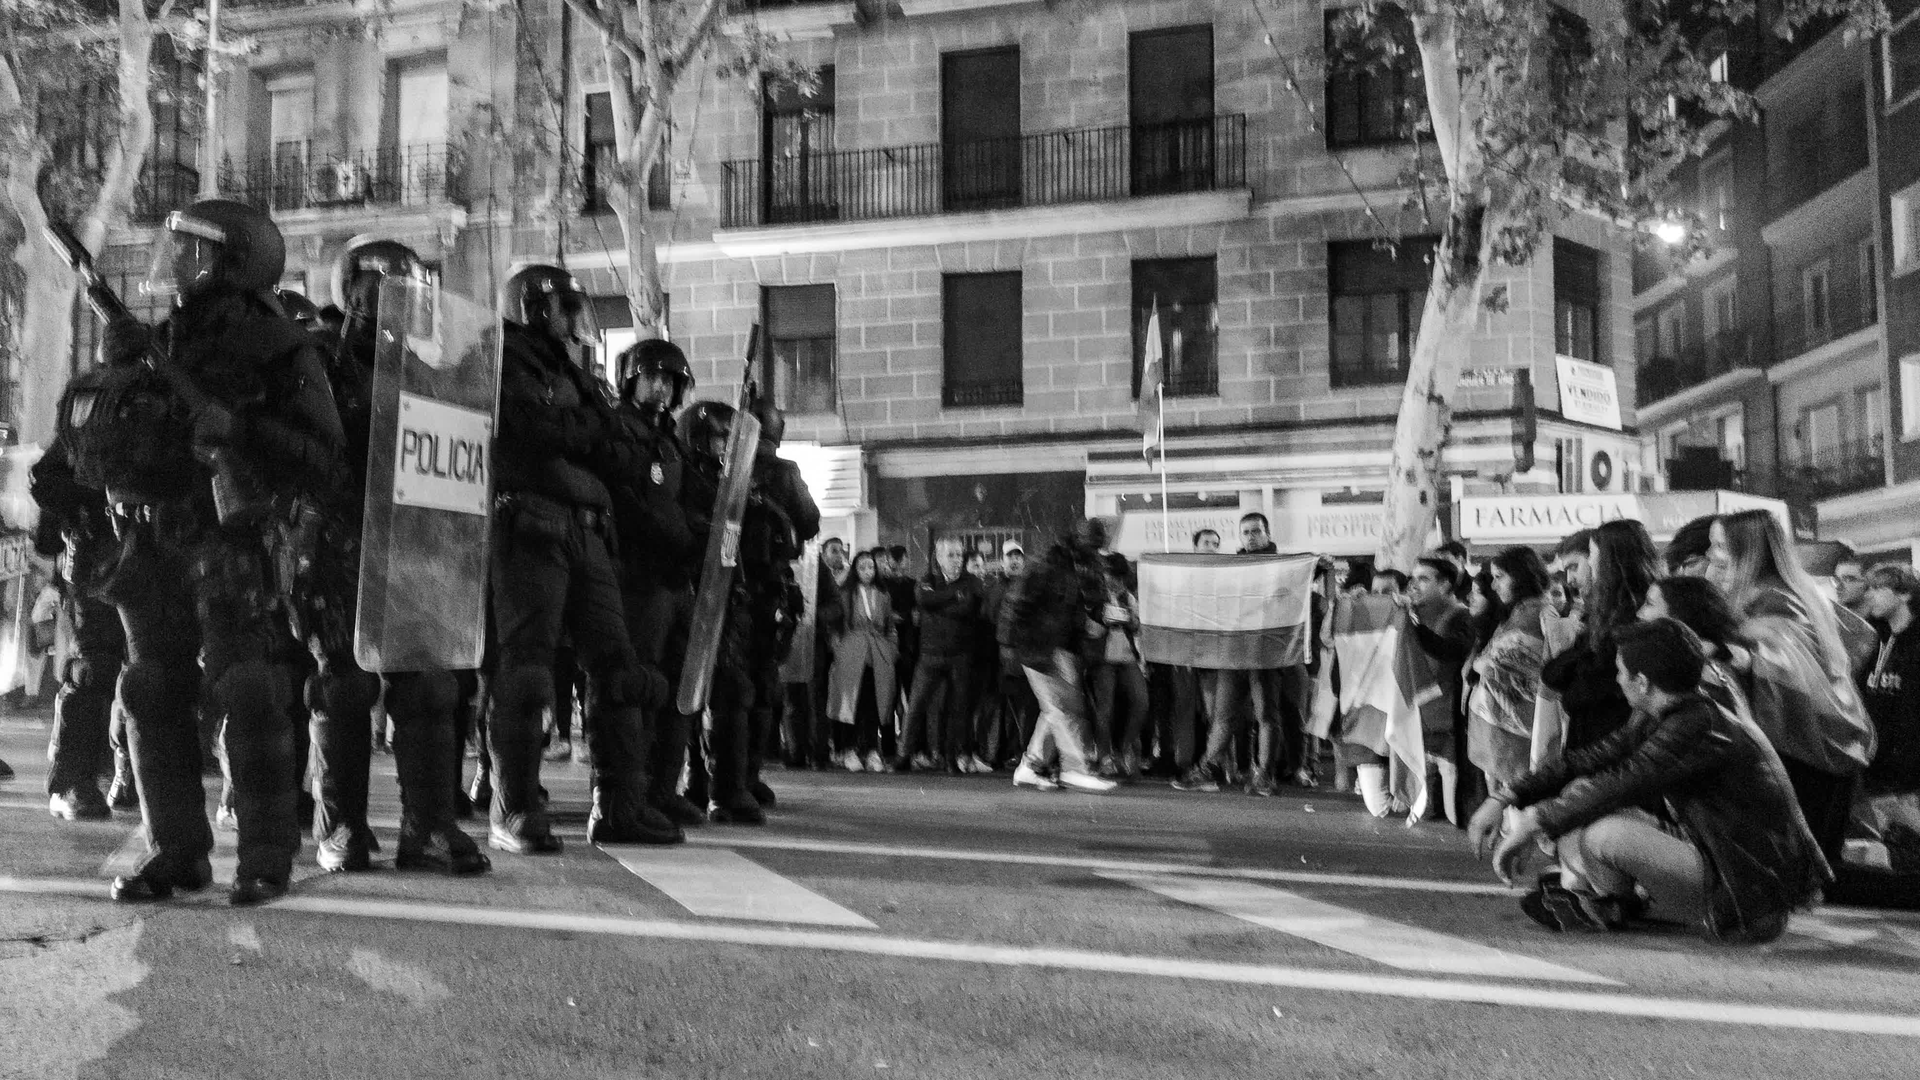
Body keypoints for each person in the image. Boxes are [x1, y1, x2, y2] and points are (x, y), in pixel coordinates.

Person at [93, 200, 346, 904]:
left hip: (233, 542)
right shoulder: (160, 340)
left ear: (236, 262)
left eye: (193, 251)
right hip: (159, 537)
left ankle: (266, 857)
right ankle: (176, 852)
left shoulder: (280, 345)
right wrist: (119, 374)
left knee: (249, 690)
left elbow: (324, 454)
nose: (176, 263)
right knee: (149, 689)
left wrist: (241, 428)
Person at [305, 235, 491, 873]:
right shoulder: (322, 365)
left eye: (416, 292)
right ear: (357, 292)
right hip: (340, 545)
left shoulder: (430, 374)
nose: (410, 304)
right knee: (346, 687)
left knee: (432, 688)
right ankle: (341, 828)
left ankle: (428, 829)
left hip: (413, 549)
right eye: (393, 290)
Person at [1468, 618, 1827, 941]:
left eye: (1621, 672)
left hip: (1749, 892)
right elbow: (1587, 761)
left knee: (1603, 833)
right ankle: (1611, 903)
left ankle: (1612, 904)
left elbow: (1622, 781)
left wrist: (1533, 823)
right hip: (1715, 854)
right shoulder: (1670, 710)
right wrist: (1505, 797)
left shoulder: (1699, 726)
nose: (1618, 679)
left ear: (1642, 682)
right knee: (1580, 796)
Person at [488, 265, 671, 854]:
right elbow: (531, 429)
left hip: (589, 532)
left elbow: (613, 447)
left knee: (618, 668)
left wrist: (586, 431)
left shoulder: (576, 374)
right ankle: (512, 807)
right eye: (567, 308)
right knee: (528, 671)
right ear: (536, 308)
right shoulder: (505, 359)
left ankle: (618, 806)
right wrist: (588, 430)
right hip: (532, 525)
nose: (576, 321)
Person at [1709, 509, 1873, 866]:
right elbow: (1858, 641)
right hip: (1825, 743)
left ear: (1746, 552)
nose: (1712, 557)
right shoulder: (1801, 592)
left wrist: (1729, 649)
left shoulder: (1770, 601)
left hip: (1800, 751)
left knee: (1794, 874)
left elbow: (1779, 667)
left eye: (1719, 547)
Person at [611, 338, 710, 833]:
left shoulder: (669, 439)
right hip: (638, 580)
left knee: (677, 687)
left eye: (670, 380)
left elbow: (687, 500)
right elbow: (628, 504)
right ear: (631, 378)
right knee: (642, 685)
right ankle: (627, 794)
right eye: (653, 376)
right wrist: (674, 534)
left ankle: (661, 790)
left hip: (676, 582)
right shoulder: (620, 429)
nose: (662, 387)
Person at [31, 372, 130, 821]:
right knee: (96, 665)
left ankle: (128, 774)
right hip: (102, 554)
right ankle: (71, 780)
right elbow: (48, 475)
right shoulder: (99, 396)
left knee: (158, 673)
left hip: (161, 548)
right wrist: (83, 517)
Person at [737, 396, 820, 806]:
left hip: (728, 590)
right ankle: (746, 777)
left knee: (731, 687)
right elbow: (810, 520)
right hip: (766, 591)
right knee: (760, 685)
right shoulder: (785, 472)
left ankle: (720, 777)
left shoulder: (726, 467)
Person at [1006, 520, 1117, 794]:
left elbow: (1078, 605)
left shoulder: (1078, 565)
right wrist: (1008, 644)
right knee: (1061, 708)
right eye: (1094, 546)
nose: (1097, 552)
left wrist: (1094, 619)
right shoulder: (1051, 563)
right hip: (1037, 645)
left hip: (1057, 646)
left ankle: (1031, 766)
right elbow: (1018, 602)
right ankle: (1075, 768)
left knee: (1059, 708)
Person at [1541, 520, 1658, 753]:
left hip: (1613, 745)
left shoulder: (1635, 616)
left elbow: (1586, 689)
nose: (1571, 580)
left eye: (1594, 556)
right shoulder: (1600, 614)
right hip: (1599, 741)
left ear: (1612, 560)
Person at [1466, 547, 1550, 796]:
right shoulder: (1518, 612)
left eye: (1500, 576)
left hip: (1516, 740)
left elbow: (1490, 665)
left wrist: (1482, 664)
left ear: (1521, 576)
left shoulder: (1531, 615)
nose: (1493, 586)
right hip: (1504, 735)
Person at [895, 537, 982, 773]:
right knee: (916, 705)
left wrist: (937, 605)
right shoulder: (927, 580)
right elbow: (923, 598)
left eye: (959, 555)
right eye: (951, 555)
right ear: (939, 557)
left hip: (960, 654)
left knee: (957, 709)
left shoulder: (972, 582)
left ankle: (949, 758)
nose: (957, 560)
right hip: (930, 654)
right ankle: (903, 754)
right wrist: (954, 596)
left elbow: (966, 608)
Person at [1404, 556, 1474, 823]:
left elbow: (1451, 651)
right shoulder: (1414, 613)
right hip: (1420, 717)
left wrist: (1415, 628)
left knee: (1454, 814)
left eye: (1424, 579)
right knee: (1426, 815)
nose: (1414, 585)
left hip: (1449, 720)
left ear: (1445, 585)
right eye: (1413, 579)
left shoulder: (1461, 616)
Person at [1856, 565, 1920, 853]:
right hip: (1874, 766)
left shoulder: (1915, 645)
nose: (1871, 595)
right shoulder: (1874, 639)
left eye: (1879, 588)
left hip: (1908, 773)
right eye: (1869, 588)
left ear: (1904, 594)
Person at [825, 550, 897, 772]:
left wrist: (892, 650)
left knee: (872, 703)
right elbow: (837, 626)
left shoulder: (883, 595)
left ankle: (871, 750)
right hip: (851, 653)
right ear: (855, 570)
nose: (868, 571)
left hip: (877, 654)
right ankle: (847, 749)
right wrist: (839, 650)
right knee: (849, 704)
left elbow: (889, 627)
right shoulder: (846, 594)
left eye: (871, 567)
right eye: (863, 567)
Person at [1088, 552, 1149, 779]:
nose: (1115, 581)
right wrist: (1103, 620)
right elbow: (1088, 626)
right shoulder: (1093, 595)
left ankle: (1124, 747)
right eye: (1111, 575)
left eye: (1119, 577)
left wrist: (1131, 621)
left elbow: (1138, 626)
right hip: (1102, 658)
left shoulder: (1128, 597)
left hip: (1126, 657)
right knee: (1105, 708)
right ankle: (1104, 756)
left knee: (1141, 701)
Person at [990, 540, 1038, 768]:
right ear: (1002, 561)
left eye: (1018, 555)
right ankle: (1011, 752)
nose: (1015, 560)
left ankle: (1023, 753)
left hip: (1027, 659)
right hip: (1005, 660)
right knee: (1011, 711)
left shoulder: (1031, 587)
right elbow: (990, 618)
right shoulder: (997, 589)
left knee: (1027, 709)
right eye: (1010, 556)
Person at [1833, 550, 1871, 623]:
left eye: (1848, 579)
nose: (1838, 586)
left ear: (1866, 582)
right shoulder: (1833, 621)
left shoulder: (1883, 626)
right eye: (1837, 580)